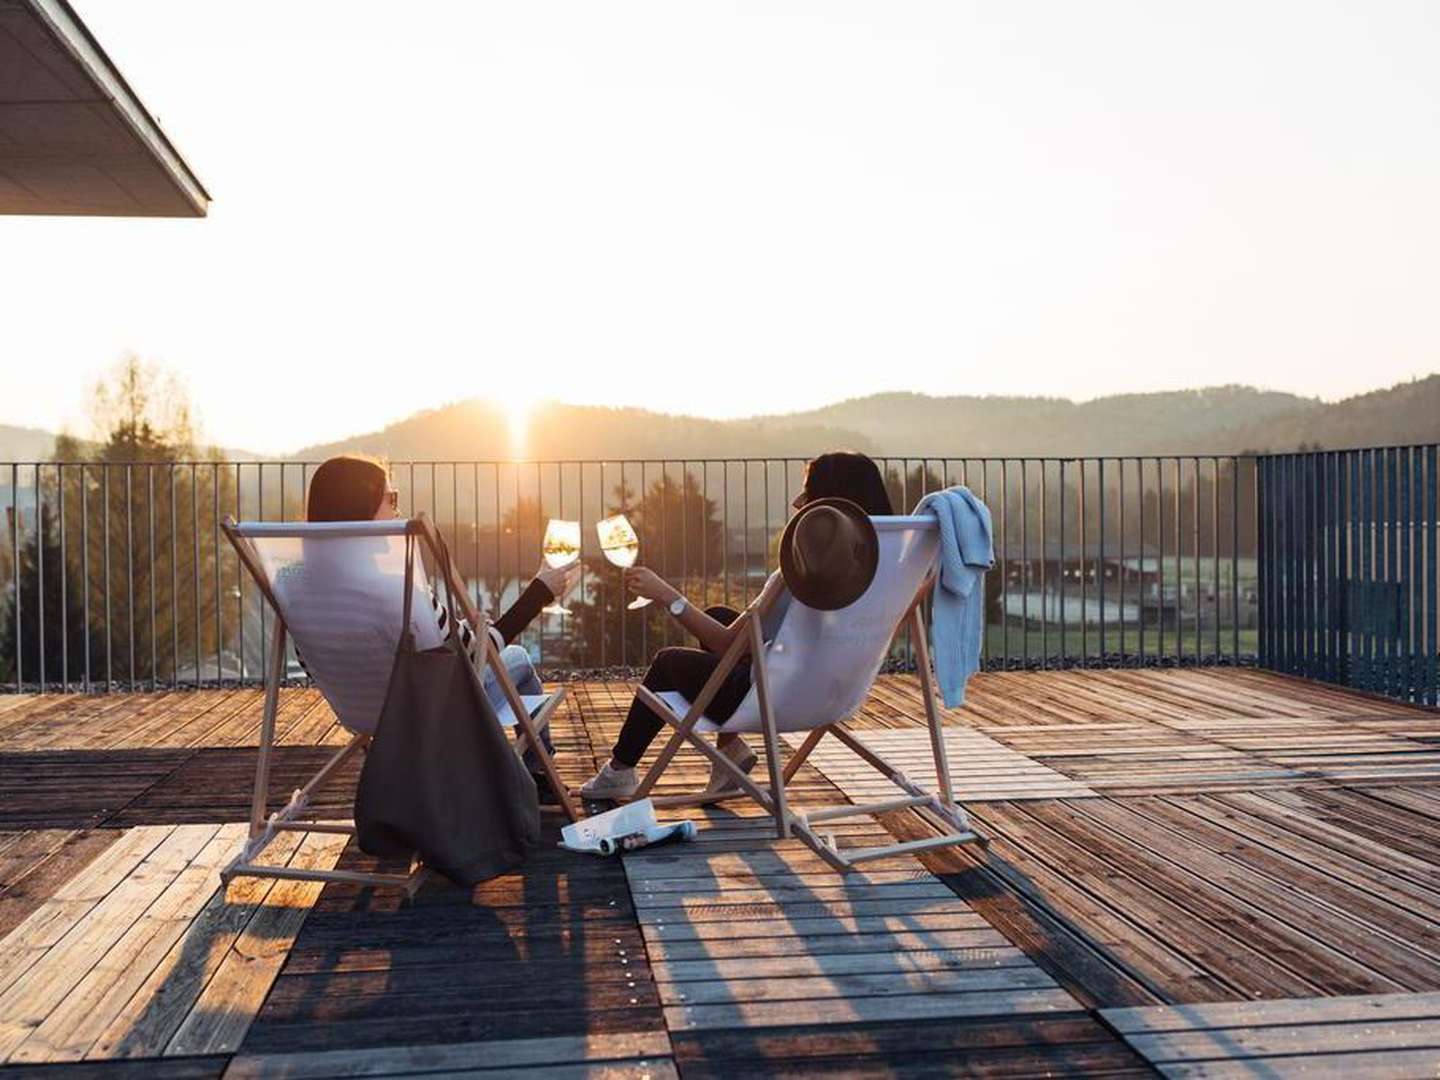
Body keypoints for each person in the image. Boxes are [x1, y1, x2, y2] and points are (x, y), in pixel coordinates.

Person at [579, 450, 894, 800]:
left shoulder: (799, 572)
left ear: (827, 505)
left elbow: (727, 646)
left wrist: (667, 595)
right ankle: (728, 755)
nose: (796, 502)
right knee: (717, 614)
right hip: (834, 693)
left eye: (807, 492)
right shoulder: (885, 565)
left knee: (668, 662)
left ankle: (619, 772)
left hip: (770, 698)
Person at [303, 454, 579, 799]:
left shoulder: (296, 585)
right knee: (519, 659)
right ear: (363, 507)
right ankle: (538, 775)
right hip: (433, 714)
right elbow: (482, 653)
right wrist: (539, 593)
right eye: (391, 499)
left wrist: (466, 633)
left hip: (362, 714)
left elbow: (310, 662)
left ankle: (534, 774)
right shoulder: (397, 588)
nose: (397, 511)